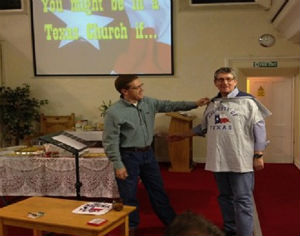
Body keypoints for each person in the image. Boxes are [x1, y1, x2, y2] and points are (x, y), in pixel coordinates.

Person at [168, 67, 271, 236]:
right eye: (221, 80)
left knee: (243, 200)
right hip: (219, 159)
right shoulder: (213, 104)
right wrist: (183, 135)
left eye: (229, 79)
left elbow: (259, 128)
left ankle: (245, 233)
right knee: (224, 198)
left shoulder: (248, 102)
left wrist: (259, 154)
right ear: (215, 83)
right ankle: (231, 230)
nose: (225, 83)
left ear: (235, 81)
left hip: (241, 160)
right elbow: (204, 127)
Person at [102, 75, 210, 235]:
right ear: (124, 91)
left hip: (148, 155)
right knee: (129, 195)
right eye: (137, 87)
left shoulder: (149, 102)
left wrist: (194, 103)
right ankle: (131, 228)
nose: (141, 89)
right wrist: (118, 164)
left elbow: (170, 105)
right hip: (128, 157)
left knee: (158, 190)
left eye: (141, 85)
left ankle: (173, 225)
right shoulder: (114, 112)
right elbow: (110, 141)